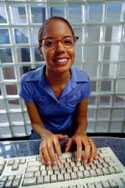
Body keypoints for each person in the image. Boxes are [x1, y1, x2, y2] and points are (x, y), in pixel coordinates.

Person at [19, 16, 97, 166]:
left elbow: (82, 119)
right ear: (41, 50)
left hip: (70, 135)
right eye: (49, 43)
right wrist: (47, 136)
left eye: (67, 41)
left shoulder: (83, 80)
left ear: (74, 45)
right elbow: (36, 123)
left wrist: (80, 133)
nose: (61, 49)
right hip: (42, 135)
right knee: (33, 166)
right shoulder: (28, 82)